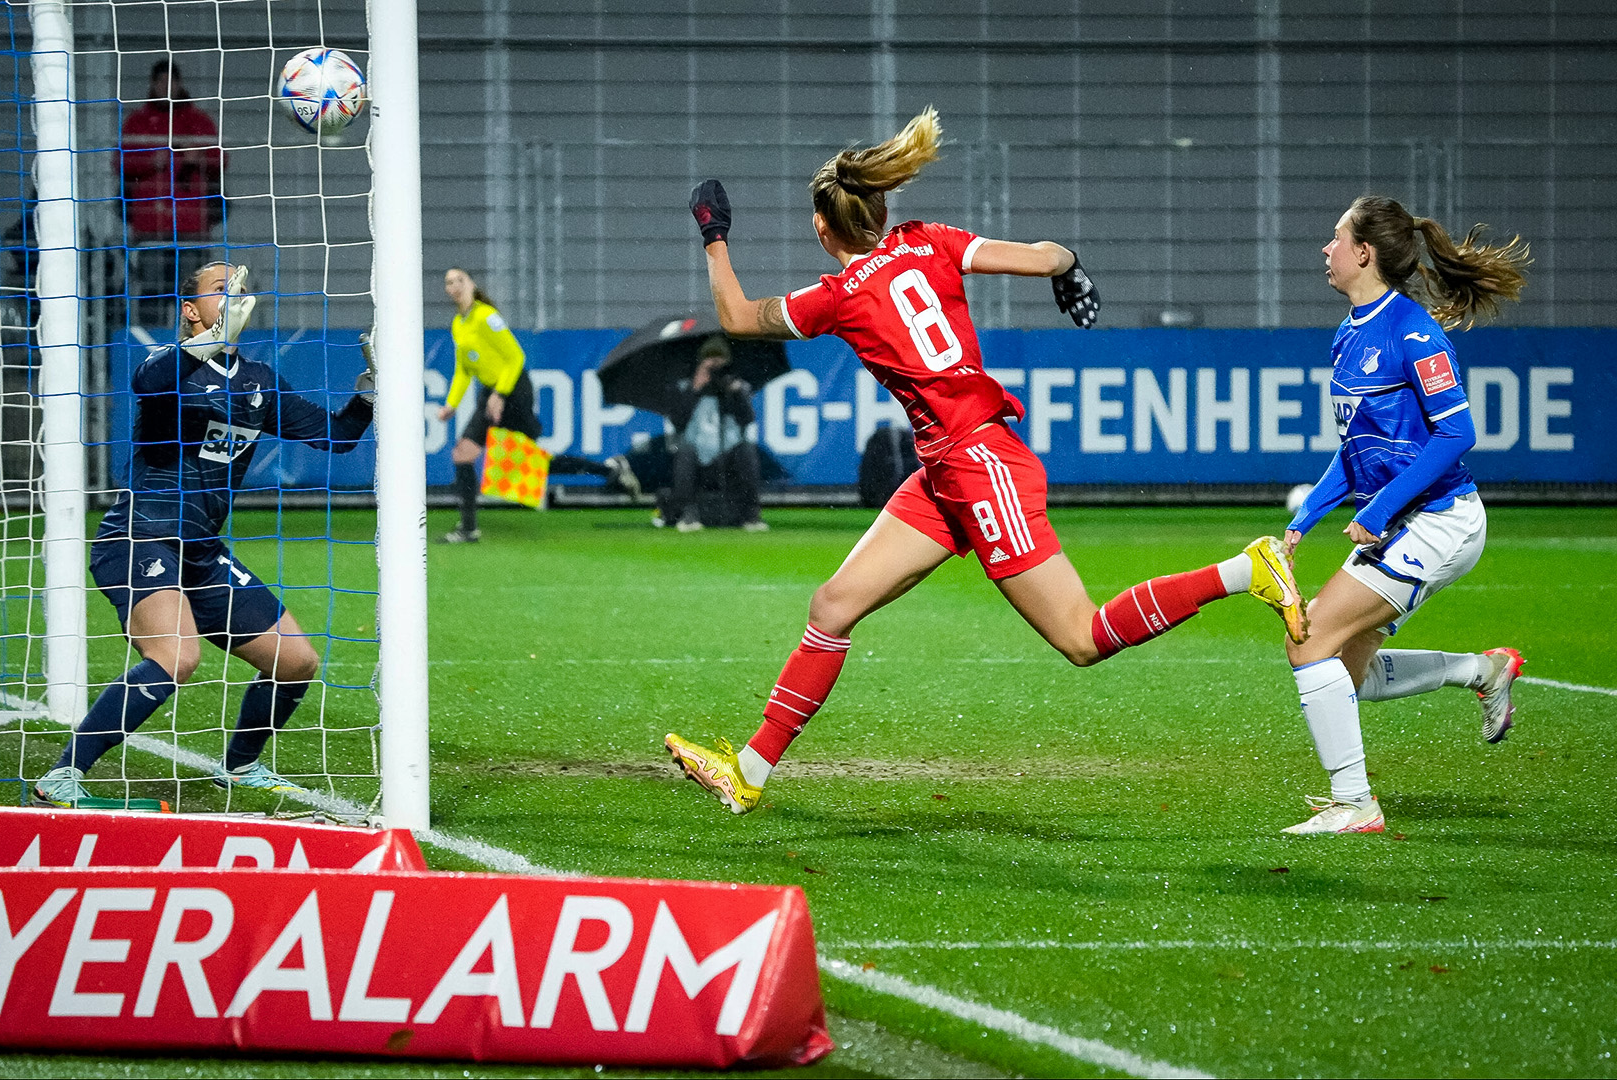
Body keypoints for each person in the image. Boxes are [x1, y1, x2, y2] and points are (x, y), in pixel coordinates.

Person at [663, 107, 1309, 815]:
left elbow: (735, 317)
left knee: (1082, 638)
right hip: (948, 472)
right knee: (833, 606)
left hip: (979, 468)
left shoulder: (838, 297)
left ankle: (1247, 569)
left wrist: (714, 234)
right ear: (882, 208)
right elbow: (1044, 254)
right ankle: (749, 773)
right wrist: (1072, 271)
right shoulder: (927, 240)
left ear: (823, 229)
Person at [32, 262, 377, 807]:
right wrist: (213, 342)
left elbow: (335, 439)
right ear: (191, 311)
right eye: (222, 288)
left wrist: (368, 395)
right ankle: (63, 775)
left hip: (201, 549)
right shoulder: (168, 367)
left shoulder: (260, 381)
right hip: (139, 536)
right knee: (177, 658)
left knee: (295, 662)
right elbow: (149, 382)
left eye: (240, 288)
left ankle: (239, 767)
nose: (236, 294)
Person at [1277, 195, 1533, 836]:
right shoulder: (1350, 334)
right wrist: (1304, 520)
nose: (1326, 249)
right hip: (1402, 521)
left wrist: (1381, 508)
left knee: (1308, 641)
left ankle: (1355, 803)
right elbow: (1358, 451)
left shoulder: (1413, 330)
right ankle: (1482, 669)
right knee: (1344, 672)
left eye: (1335, 238)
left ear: (1364, 252)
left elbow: (1457, 434)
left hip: (1443, 520)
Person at [434, 267, 637, 542]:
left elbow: (515, 358)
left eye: (460, 280)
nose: (454, 285)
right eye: (449, 282)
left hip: (514, 391)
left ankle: (610, 470)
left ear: (471, 284)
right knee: (464, 454)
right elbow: (463, 369)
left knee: (529, 463)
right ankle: (468, 529)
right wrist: (451, 404)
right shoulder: (460, 323)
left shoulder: (486, 316)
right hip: (491, 393)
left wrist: (501, 394)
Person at [120, 59, 224, 327]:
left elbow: (220, 160)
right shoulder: (137, 122)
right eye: (161, 81)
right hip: (151, 226)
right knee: (153, 291)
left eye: (171, 81)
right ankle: (151, 348)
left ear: (179, 84)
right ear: (153, 84)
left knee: (191, 294)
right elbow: (120, 162)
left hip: (191, 227)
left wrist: (196, 156)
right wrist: (155, 160)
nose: (167, 87)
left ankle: (194, 350)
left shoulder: (198, 121)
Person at [662, 336, 765, 532]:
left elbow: (748, 419)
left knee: (747, 451)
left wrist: (736, 393)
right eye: (711, 363)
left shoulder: (736, 387)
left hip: (727, 455)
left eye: (721, 363)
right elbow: (677, 421)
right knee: (684, 454)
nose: (716, 369)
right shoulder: (686, 387)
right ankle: (688, 514)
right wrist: (695, 388)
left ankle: (751, 515)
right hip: (697, 456)